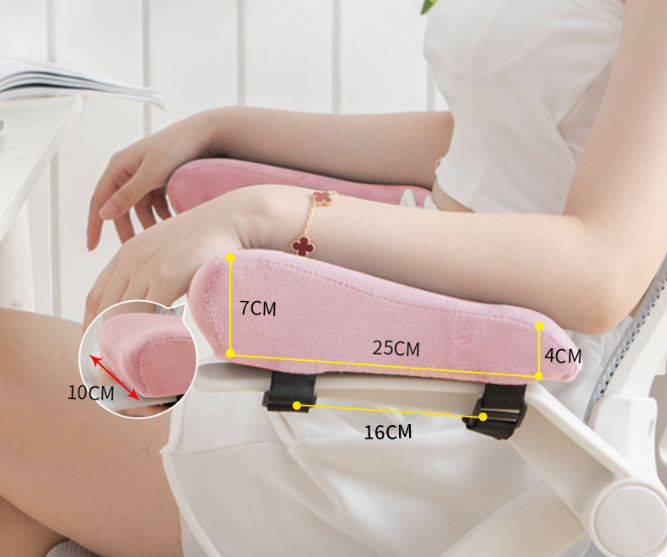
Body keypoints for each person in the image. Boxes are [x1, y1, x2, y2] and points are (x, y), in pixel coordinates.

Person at [2, 0, 666, 555]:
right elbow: (481, 140)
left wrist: (263, 214)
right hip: (390, 356)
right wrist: (224, 126)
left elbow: (602, 272)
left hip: (469, 421)